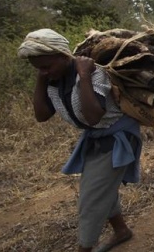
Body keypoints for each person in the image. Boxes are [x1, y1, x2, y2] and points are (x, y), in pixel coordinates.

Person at [17, 29, 142, 252]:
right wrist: (41, 77)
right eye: (38, 68)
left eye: (46, 66)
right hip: (96, 138)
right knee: (97, 187)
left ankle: (85, 247)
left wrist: (84, 76)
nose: (44, 72)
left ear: (64, 56)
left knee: (91, 199)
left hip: (117, 137)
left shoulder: (94, 73)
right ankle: (121, 231)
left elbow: (94, 116)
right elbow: (41, 115)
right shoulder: (53, 79)